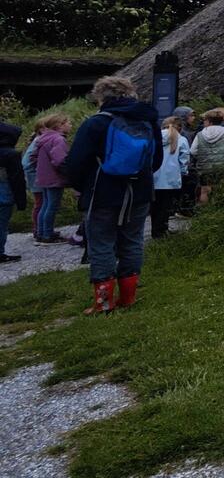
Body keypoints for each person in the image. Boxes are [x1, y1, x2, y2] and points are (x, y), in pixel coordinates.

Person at [61, 75, 162, 315]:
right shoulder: (148, 122)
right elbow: (155, 160)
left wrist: (81, 186)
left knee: (102, 243)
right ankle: (128, 298)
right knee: (133, 241)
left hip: (102, 192)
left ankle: (104, 303)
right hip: (140, 192)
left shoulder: (96, 123)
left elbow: (75, 163)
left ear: (101, 97)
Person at [31, 113, 72, 244]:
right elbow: (60, 160)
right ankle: (48, 235)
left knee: (45, 205)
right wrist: (70, 173)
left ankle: (41, 232)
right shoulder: (58, 140)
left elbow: (33, 157)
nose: (70, 125)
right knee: (52, 206)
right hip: (54, 178)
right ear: (60, 125)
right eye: (68, 123)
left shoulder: (43, 139)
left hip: (43, 177)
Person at [190, 108, 224, 205]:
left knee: (204, 190)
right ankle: (217, 209)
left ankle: (204, 210)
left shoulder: (200, 134)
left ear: (209, 121)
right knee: (220, 188)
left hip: (204, 167)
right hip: (222, 167)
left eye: (204, 120)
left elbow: (193, 151)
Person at [151, 116, 190, 237]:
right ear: (180, 127)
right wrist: (183, 172)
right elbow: (184, 159)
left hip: (154, 177)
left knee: (154, 206)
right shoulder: (181, 139)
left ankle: (155, 230)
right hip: (171, 178)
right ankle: (162, 230)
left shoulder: (154, 137)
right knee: (166, 206)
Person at [0, 123, 27, 263]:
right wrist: (21, 201)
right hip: (4, 194)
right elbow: (17, 178)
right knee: (2, 224)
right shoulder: (11, 154)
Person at [20, 120, 42, 236]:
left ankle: (38, 228)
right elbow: (27, 163)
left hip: (32, 174)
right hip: (34, 174)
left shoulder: (36, 140)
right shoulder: (38, 141)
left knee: (40, 202)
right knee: (40, 202)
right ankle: (38, 229)